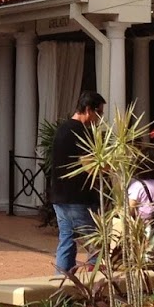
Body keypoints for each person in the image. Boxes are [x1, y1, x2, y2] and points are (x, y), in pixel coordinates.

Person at [48, 90, 105, 275]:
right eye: (99, 113)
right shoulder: (80, 132)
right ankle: (95, 285)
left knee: (67, 239)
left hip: (60, 195)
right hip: (77, 197)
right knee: (96, 243)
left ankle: (61, 283)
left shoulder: (63, 128)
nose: (100, 118)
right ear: (89, 110)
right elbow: (90, 166)